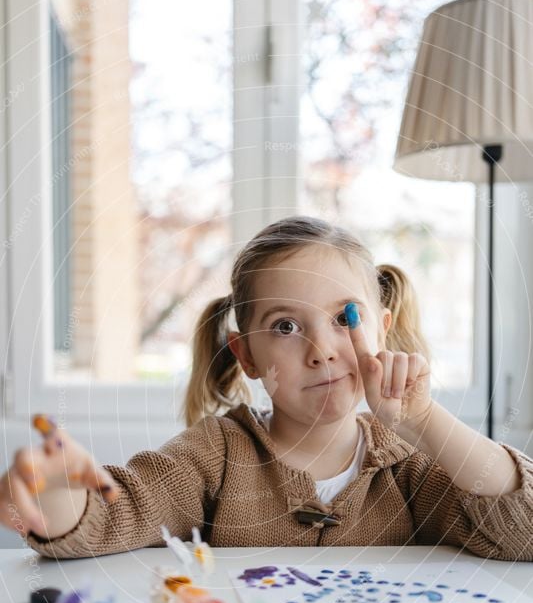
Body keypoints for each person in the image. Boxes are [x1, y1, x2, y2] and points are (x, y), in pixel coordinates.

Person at [0, 216, 531, 560]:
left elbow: (522, 528)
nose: (321, 349)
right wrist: (53, 494)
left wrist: (421, 422)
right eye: (285, 326)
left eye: (346, 317)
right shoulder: (215, 455)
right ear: (248, 356)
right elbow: (118, 515)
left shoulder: (410, 465)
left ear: (382, 329)